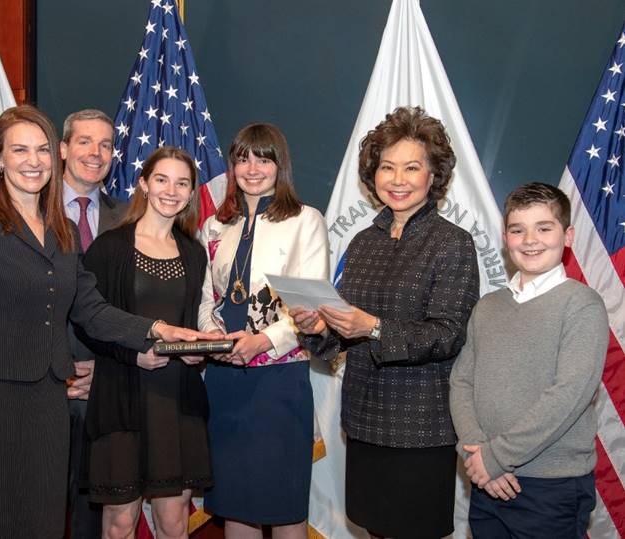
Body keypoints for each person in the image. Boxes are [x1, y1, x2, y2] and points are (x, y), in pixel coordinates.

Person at [0, 105, 211, 539]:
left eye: (41, 150)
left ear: (55, 159)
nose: (33, 161)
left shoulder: (63, 231)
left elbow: (92, 310)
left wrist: (156, 330)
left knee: (45, 523)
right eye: (19, 150)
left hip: (50, 399)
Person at [292, 106, 480, 538]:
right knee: (373, 529)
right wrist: (316, 329)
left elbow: (448, 334)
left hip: (420, 426)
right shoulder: (361, 243)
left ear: (433, 176)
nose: (397, 179)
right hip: (363, 420)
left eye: (412, 167)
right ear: (373, 174)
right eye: (387, 167)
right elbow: (344, 334)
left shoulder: (453, 242)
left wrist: (373, 327)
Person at [449, 183, 608, 538]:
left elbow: (568, 396)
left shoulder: (582, 305)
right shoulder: (488, 307)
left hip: (551, 487)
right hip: (486, 478)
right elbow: (462, 381)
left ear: (567, 235)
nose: (530, 239)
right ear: (506, 238)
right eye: (518, 230)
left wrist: (496, 457)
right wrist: (477, 451)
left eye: (544, 228)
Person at [198, 123, 329, 539]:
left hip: (278, 379)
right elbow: (206, 299)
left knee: (283, 504)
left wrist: (260, 342)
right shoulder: (215, 228)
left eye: (264, 158)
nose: (252, 168)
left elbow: (310, 305)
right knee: (236, 503)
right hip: (224, 378)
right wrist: (213, 341)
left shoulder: (306, 220)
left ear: (279, 165)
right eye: (243, 158)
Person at [77, 146, 212, 539]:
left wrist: (197, 354)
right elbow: (88, 322)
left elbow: (192, 324)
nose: (171, 190)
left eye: (182, 183)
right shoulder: (109, 248)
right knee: (120, 523)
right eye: (162, 179)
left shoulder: (194, 253)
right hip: (121, 395)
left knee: (173, 523)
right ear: (143, 184)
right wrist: (131, 356)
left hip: (178, 402)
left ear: (190, 193)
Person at [61, 108, 128, 538]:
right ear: (63, 149)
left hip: (102, 386)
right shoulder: (30, 211)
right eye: (85, 141)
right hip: (41, 386)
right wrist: (58, 368)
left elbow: (133, 309)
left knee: (91, 513)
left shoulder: (129, 220)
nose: (96, 152)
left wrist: (104, 369)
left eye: (105, 144)